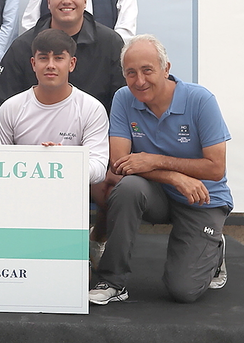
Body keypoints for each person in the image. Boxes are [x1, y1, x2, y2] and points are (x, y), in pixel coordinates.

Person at [89, 35, 231, 305]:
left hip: (201, 198)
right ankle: (112, 281)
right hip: (157, 194)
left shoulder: (200, 99)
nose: (139, 81)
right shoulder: (123, 98)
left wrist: (156, 161)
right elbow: (119, 162)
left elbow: (215, 169)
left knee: (183, 290)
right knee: (127, 187)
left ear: (166, 69)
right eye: (131, 73)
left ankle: (214, 250)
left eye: (147, 70)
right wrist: (174, 177)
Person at [0, 0, 124, 114]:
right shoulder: (22, 47)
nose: (67, 1)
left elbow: (121, 104)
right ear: (48, 2)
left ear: (85, 1)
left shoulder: (111, 44)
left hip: (94, 126)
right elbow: (3, 105)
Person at [0, 29, 108, 185]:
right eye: (43, 58)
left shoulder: (92, 109)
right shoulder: (11, 108)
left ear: (72, 64)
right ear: (33, 64)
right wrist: (42, 167)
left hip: (69, 192)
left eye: (58, 58)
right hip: (19, 191)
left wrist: (63, 164)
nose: (50, 65)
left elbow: (99, 167)